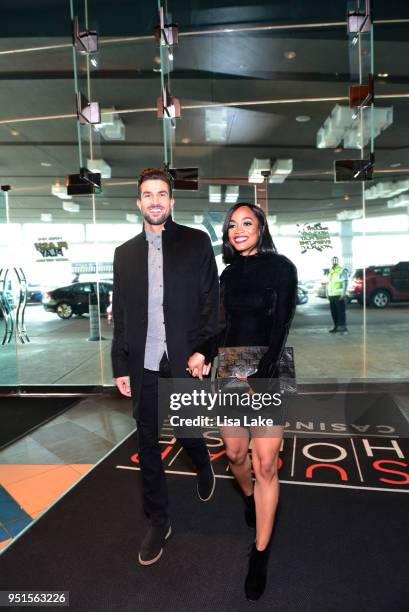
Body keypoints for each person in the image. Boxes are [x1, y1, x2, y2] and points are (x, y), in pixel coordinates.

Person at [188, 203, 297, 601]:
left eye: (246, 222)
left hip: (268, 366)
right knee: (235, 455)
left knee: (265, 462)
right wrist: (203, 351)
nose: (238, 229)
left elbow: (282, 323)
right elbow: (222, 327)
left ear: (261, 228)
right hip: (231, 367)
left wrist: (263, 372)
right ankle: (249, 497)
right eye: (232, 225)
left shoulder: (282, 267)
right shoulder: (229, 274)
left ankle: (261, 552)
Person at [111, 167, 219, 566]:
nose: (155, 201)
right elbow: (120, 314)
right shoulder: (125, 254)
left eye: (162, 194)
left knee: (189, 429)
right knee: (148, 441)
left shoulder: (196, 243)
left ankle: (202, 459)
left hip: (186, 361)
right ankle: (158, 520)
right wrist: (119, 365)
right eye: (147, 194)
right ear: (139, 203)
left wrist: (204, 350)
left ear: (172, 201)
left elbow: (212, 303)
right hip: (142, 365)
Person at [327, 256, 348, 333]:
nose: (334, 262)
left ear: (337, 261)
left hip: (339, 295)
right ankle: (336, 327)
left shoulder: (342, 270)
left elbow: (345, 282)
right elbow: (328, 283)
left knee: (340, 312)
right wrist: (327, 294)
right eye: (332, 260)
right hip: (331, 295)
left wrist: (343, 293)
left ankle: (342, 327)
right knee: (334, 312)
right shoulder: (330, 271)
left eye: (335, 260)